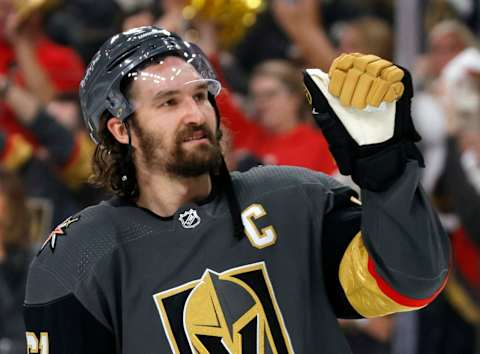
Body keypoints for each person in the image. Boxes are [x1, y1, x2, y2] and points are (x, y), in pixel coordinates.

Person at [23, 26, 450, 353]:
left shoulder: (293, 197)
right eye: (169, 102)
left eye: (201, 96)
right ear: (119, 129)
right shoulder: (81, 254)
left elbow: (409, 284)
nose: (196, 113)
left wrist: (385, 163)